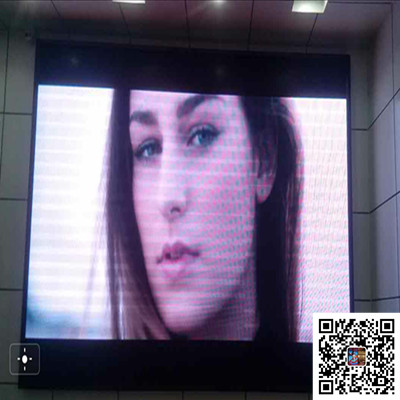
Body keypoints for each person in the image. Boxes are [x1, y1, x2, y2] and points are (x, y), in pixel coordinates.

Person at [105, 88, 303, 341]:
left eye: (201, 135)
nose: (167, 197)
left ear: (264, 161)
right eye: (148, 148)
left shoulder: (334, 360)